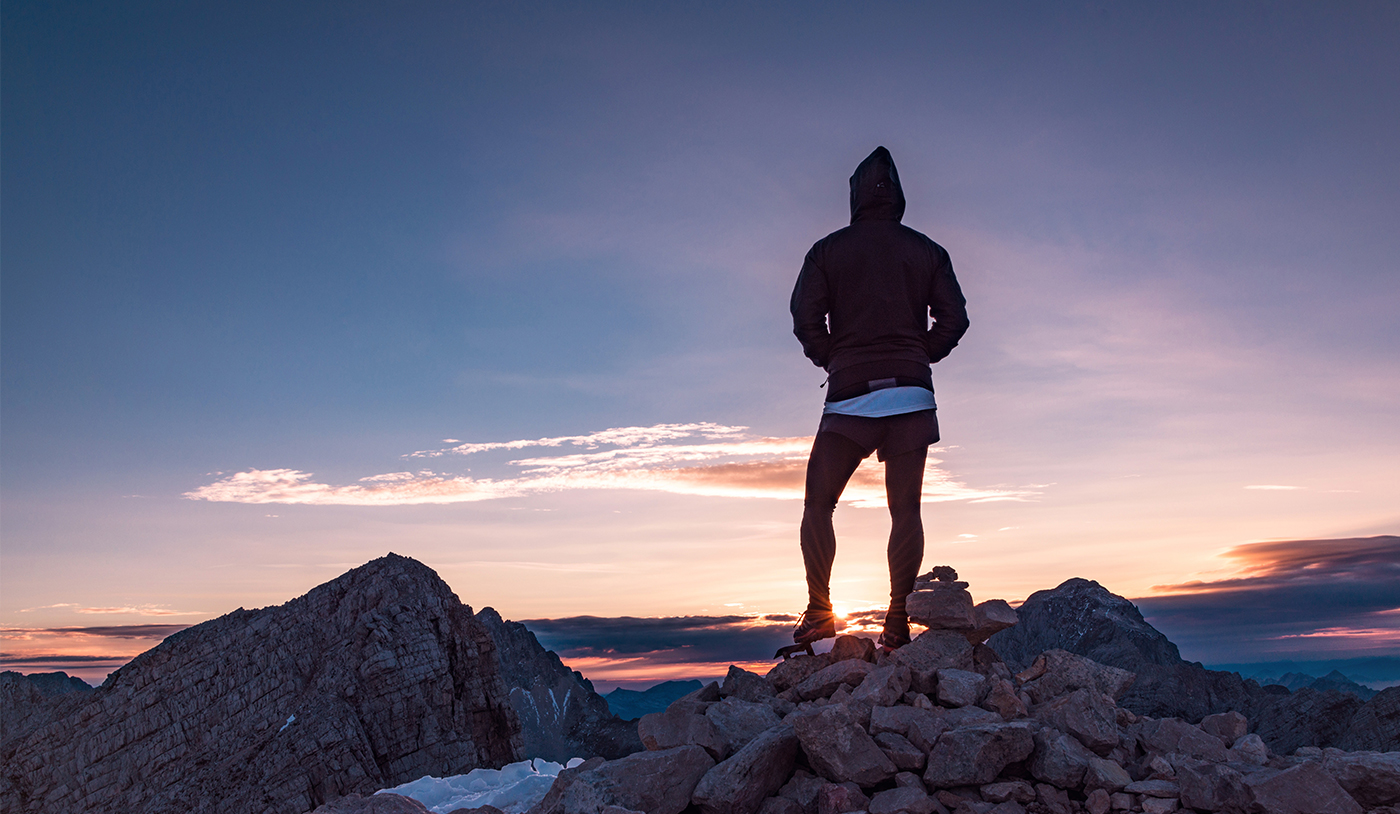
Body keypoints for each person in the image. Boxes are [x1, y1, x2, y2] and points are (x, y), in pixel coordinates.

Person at [788, 146, 969, 653]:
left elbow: (805, 319)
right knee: (905, 510)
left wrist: (835, 360)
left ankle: (821, 612)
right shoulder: (928, 250)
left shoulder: (826, 251)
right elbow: (954, 320)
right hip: (911, 394)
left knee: (818, 504)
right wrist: (917, 356)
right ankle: (896, 620)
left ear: (854, 195)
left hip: (849, 397)